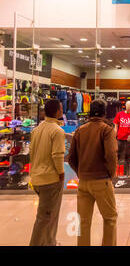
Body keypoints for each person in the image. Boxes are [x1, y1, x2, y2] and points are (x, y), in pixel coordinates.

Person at [68, 100, 118, 246]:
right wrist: (111, 173)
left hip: (83, 182)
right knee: (110, 218)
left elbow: (71, 158)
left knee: (83, 222)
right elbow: (111, 154)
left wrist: (80, 173)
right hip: (101, 180)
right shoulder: (106, 130)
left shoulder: (80, 130)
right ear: (104, 113)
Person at [29, 99, 66, 246]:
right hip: (50, 179)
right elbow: (57, 155)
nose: (62, 111)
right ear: (57, 111)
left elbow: (31, 152)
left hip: (37, 177)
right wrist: (61, 173)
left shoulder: (37, 129)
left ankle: (50, 242)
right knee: (45, 218)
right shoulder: (57, 131)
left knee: (49, 216)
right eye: (61, 108)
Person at [113, 100, 130, 176]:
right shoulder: (120, 114)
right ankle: (117, 174)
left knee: (128, 157)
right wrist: (114, 135)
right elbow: (116, 125)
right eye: (127, 105)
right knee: (118, 156)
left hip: (129, 140)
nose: (129, 107)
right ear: (125, 106)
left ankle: (126, 174)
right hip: (120, 138)